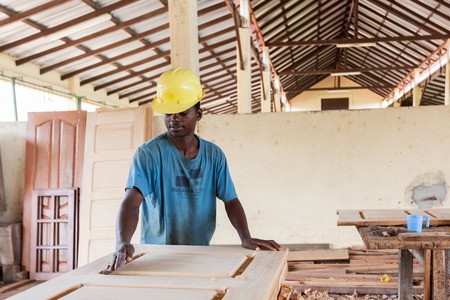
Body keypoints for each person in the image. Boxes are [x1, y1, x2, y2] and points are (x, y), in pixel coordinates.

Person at [110, 67, 281, 270]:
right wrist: (122, 241)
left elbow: (231, 200)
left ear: (198, 114)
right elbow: (131, 202)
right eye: (168, 113)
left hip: (199, 251)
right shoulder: (149, 154)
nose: (174, 118)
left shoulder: (214, 155)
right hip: (157, 253)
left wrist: (245, 237)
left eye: (182, 112)